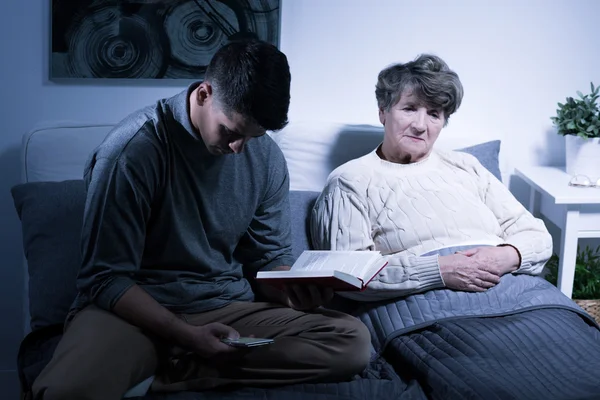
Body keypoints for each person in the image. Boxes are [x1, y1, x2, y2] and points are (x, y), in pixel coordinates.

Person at [32, 40, 371, 400]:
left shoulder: (266, 157)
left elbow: (268, 259)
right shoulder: (133, 150)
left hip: (225, 307)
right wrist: (184, 333)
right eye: (230, 131)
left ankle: (168, 369)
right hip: (133, 312)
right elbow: (104, 279)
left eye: (252, 136)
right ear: (204, 94)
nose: (238, 148)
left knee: (352, 342)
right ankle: (175, 358)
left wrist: (292, 294)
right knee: (64, 392)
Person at [310, 54, 553, 301]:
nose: (420, 125)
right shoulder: (349, 181)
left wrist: (504, 257)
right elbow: (347, 275)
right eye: (409, 109)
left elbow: (538, 237)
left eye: (434, 114)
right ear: (383, 112)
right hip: (429, 303)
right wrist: (441, 270)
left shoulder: (466, 165)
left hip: (520, 289)